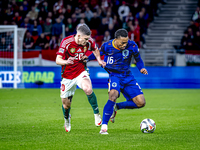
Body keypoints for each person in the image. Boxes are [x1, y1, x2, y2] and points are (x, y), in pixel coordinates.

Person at [88, 29, 148, 134]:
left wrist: (141, 68)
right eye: (122, 42)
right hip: (114, 75)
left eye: (126, 42)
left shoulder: (132, 45)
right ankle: (104, 127)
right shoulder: (107, 46)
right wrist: (87, 58)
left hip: (128, 76)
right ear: (116, 40)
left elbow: (138, 59)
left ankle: (116, 107)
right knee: (113, 95)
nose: (125, 45)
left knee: (141, 103)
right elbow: (97, 53)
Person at [55, 24, 106, 132]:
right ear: (78, 36)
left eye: (88, 38)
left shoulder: (89, 41)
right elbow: (57, 60)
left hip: (80, 71)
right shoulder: (66, 42)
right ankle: (67, 119)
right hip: (67, 76)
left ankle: (96, 113)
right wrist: (66, 61)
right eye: (85, 39)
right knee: (66, 105)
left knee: (88, 88)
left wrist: (99, 60)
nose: (87, 41)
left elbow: (95, 49)